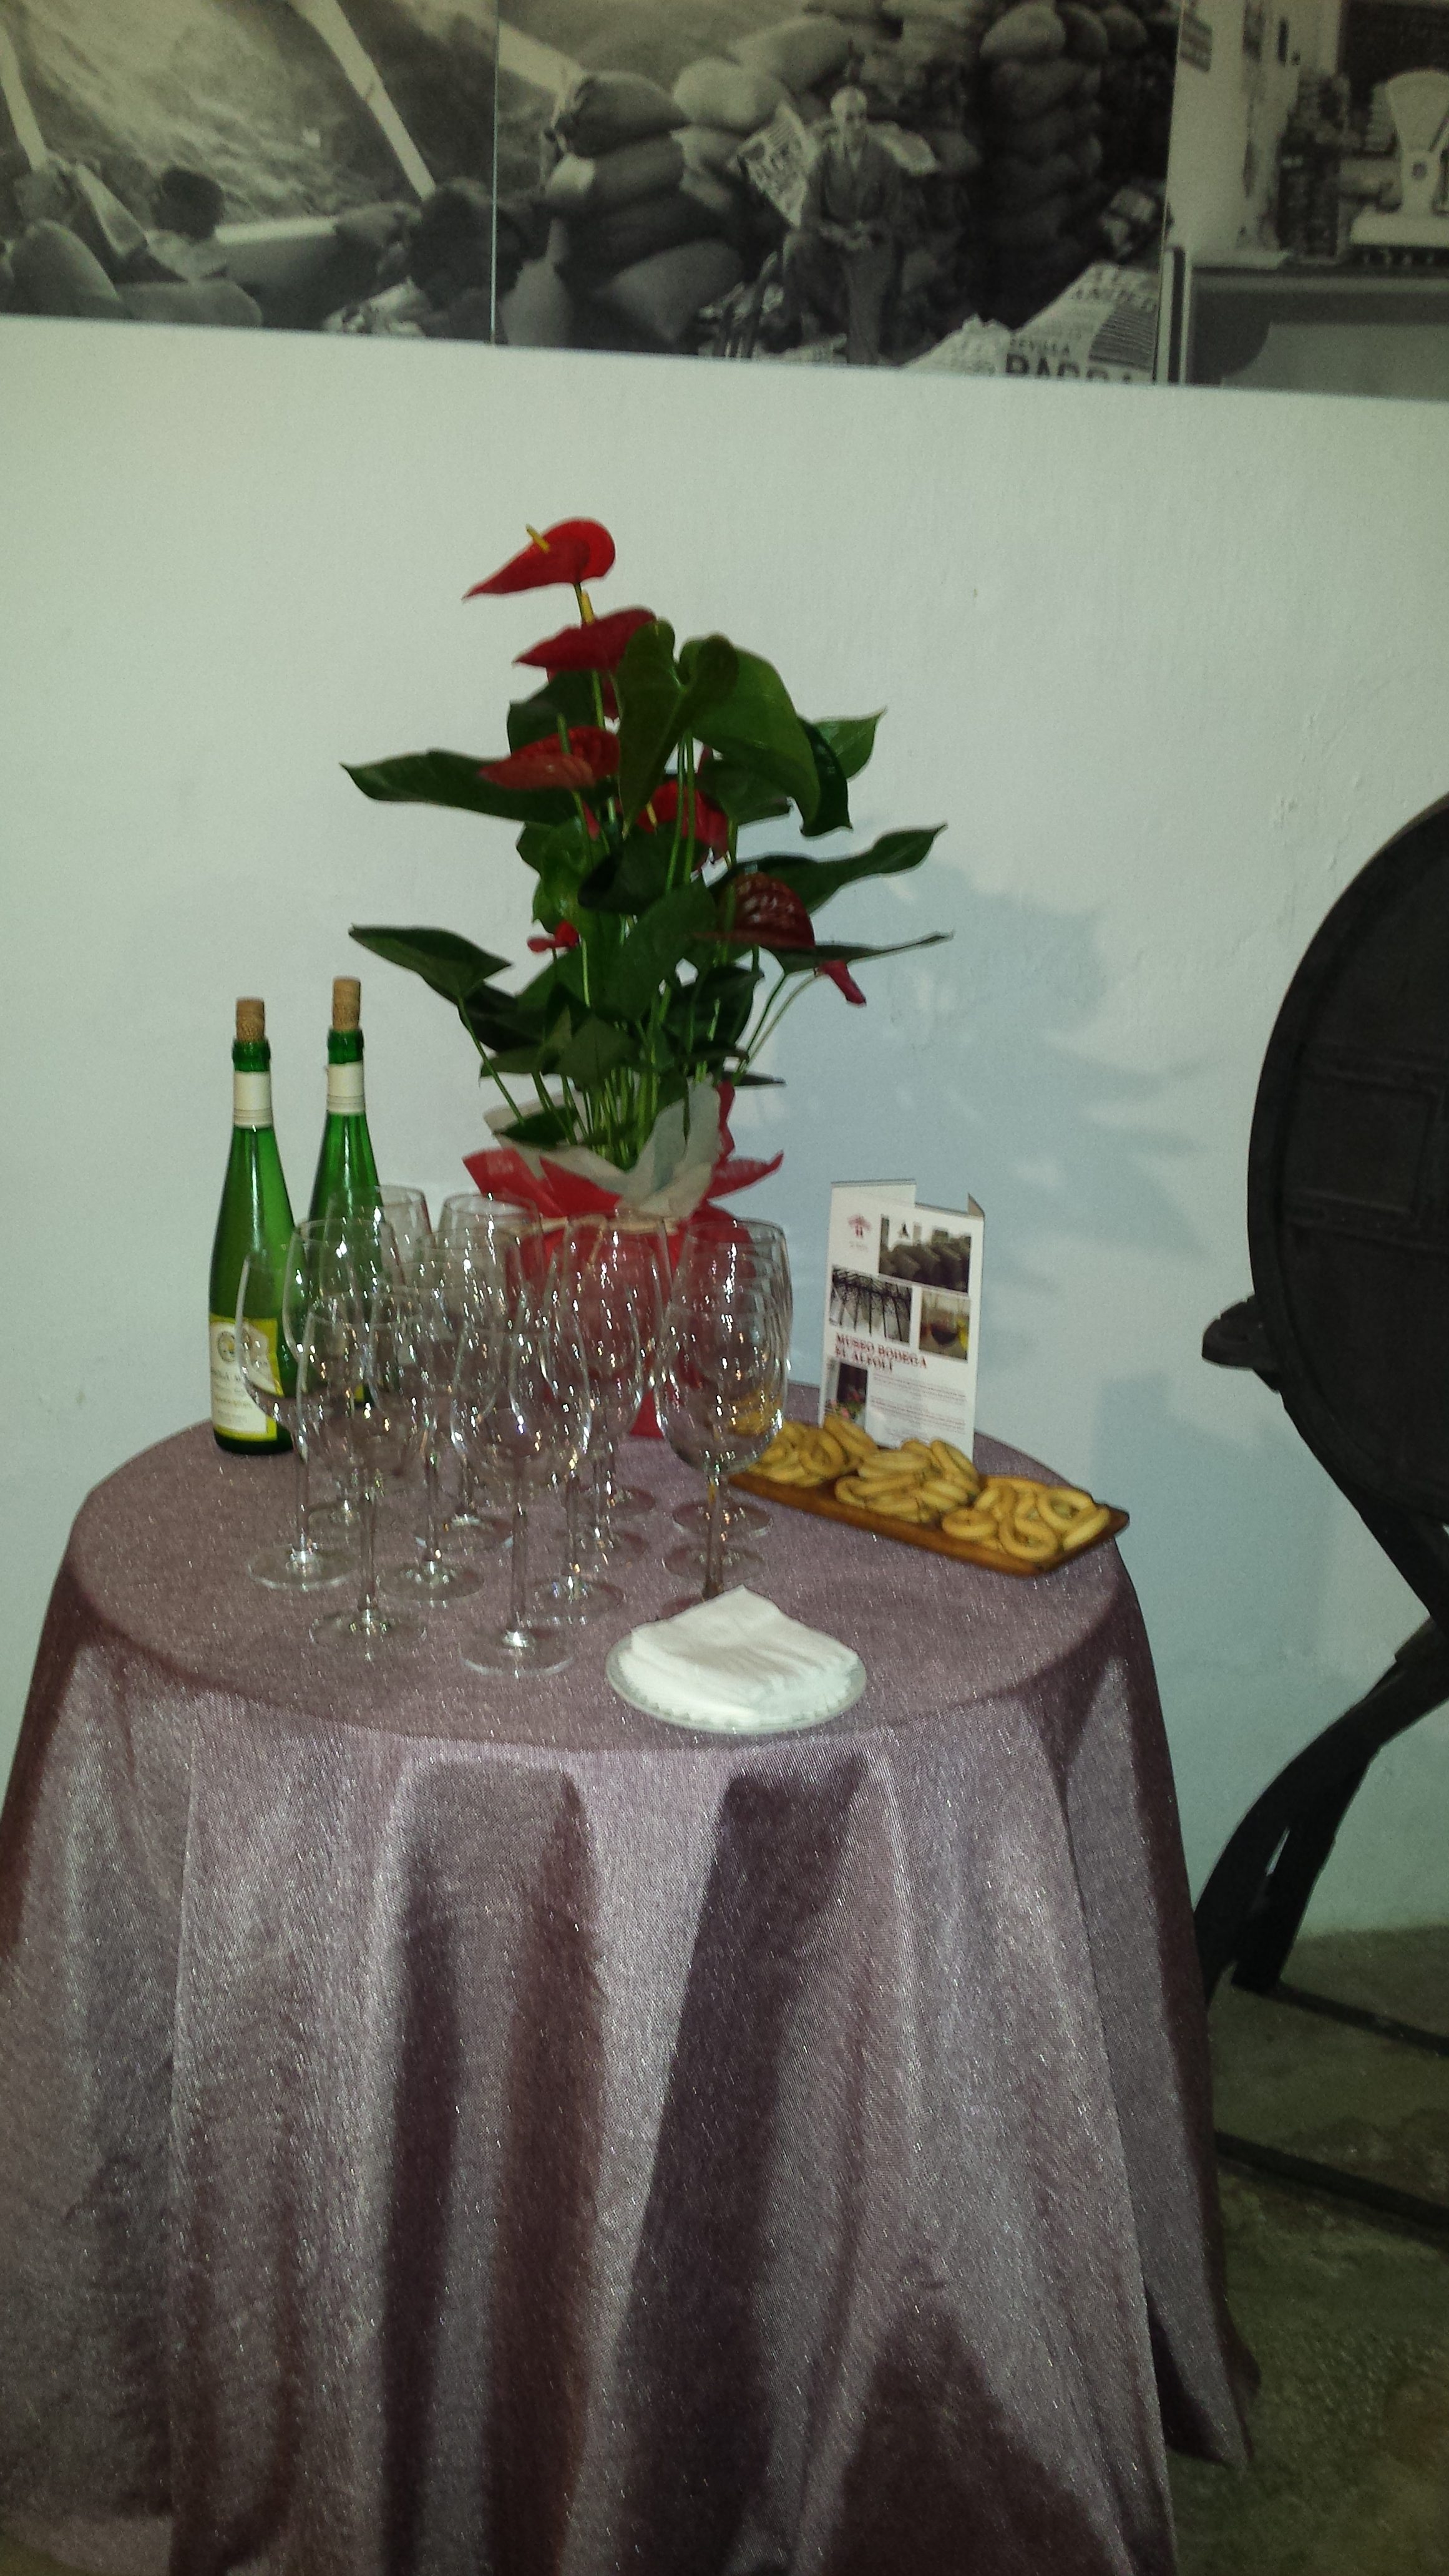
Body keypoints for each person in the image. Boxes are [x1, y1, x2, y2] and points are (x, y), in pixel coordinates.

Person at [782, 85, 907, 365]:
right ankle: (791, 324)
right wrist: (838, 235)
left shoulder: (884, 160)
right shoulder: (824, 160)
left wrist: (870, 229)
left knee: (862, 331)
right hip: (834, 239)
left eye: (862, 116)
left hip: (872, 243)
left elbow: (897, 216)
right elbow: (809, 215)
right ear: (836, 121)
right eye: (850, 118)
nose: (858, 124)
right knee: (793, 246)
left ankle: (861, 351)